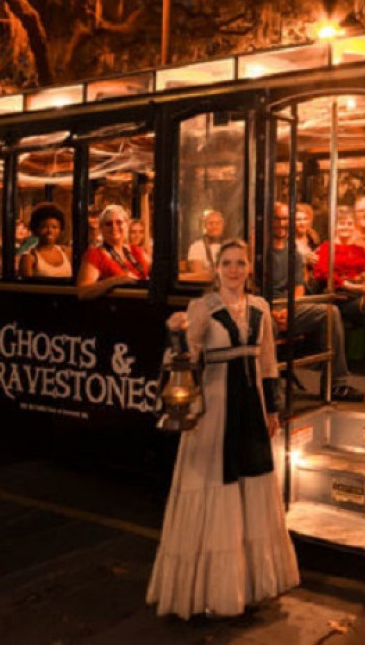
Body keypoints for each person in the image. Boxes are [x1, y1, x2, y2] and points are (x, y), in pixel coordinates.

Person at [147, 238, 300, 619]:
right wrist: (176, 332)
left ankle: (248, 584)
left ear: (250, 268)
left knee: (251, 487)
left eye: (241, 263)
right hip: (215, 413)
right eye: (227, 263)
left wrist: (274, 410)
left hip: (252, 411)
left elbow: (268, 363)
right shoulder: (202, 307)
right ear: (217, 268)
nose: (234, 269)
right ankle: (211, 590)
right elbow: (183, 359)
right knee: (217, 485)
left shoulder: (261, 308)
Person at [272, 203, 365, 401]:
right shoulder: (259, 252)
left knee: (330, 312)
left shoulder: (293, 253)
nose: (281, 224)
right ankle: (268, 385)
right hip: (266, 308)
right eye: (276, 219)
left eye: (284, 219)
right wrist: (272, 311)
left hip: (288, 306)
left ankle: (336, 384)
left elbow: (298, 287)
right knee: (262, 323)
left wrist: (290, 309)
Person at [313, 205, 365, 365]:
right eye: (341, 223)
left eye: (349, 224)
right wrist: (351, 285)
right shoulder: (326, 247)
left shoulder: (358, 250)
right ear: (334, 226)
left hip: (360, 294)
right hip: (337, 296)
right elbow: (323, 272)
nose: (345, 227)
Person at [76, 203, 149, 298]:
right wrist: (115, 281)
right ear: (101, 228)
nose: (114, 227)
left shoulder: (136, 251)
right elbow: (83, 292)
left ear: (127, 225)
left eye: (119, 222)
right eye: (108, 224)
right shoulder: (95, 254)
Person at [19, 202, 72, 278]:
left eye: (54, 227)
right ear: (35, 229)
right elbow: (27, 288)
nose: (50, 231)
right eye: (44, 227)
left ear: (60, 230)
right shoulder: (30, 258)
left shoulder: (67, 253)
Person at [187, 209, 225, 277]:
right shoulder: (196, 247)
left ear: (223, 226)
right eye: (210, 223)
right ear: (205, 226)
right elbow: (198, 275)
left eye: (218, 223)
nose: (214, 226)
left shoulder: (231, 246)